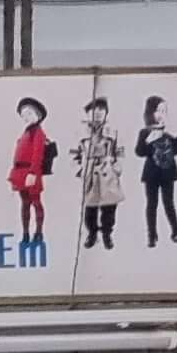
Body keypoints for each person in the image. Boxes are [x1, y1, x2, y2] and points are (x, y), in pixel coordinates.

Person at [73, 95, 123, 252]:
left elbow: (120, 152)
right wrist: (80, 170)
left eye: (102, 110)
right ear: (88, 113)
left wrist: (116, 167)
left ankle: (107, 234)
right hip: (90, 173)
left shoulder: (113, 132)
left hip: (108, 172)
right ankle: (92, 233)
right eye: (94, 110)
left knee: (109, 207)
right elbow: (74, 154)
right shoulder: (80, 134)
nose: (98, 113)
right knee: (90, 208)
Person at [136, 96, 177, 248]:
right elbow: (139, 152)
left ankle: (176, 231)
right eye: (158, 111)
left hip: (168, 172)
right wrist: (149, 140)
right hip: (151, 173)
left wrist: (176, 138)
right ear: (150, 112)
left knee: (169, 203)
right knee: (151, 204)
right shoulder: (145, 132)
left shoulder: (168, 131)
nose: (161, 114)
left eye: (164, 111)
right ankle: (152, 235)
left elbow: (176, 151)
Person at [7, 97, 53, 250]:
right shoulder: (26, 133)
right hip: (20, 173)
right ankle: (26, 233)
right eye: (23, 115)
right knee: (25, 203)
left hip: (30, 172)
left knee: (35, 202)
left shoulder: (37, 133)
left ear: (37, 115)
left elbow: (37, 153)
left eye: (29, 113)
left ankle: (39, 232)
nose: (26, 117)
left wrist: (33, 173)